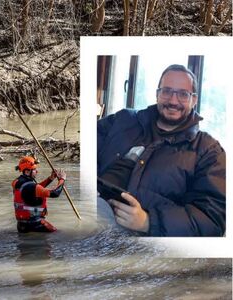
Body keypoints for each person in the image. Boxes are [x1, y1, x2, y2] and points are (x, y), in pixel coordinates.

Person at [97, 64, 226, 237]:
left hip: (132, 240)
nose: (173, 101)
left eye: (182, 94)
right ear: (158, 94)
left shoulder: (209, 151)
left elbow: (213, 220)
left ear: (194, 100)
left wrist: (149, 222)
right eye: (167, 91)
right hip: (89, 212)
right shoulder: (123, 119)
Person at [12, 156, 66, 233]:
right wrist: (62, 179)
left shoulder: (16, 182)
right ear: (27, 171)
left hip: (21, 225)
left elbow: (34, 190)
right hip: (36, 223)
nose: (37, 171)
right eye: (34, 169)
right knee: (57, 233)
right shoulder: (32, 187)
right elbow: (55, 193)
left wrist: (50, 178)